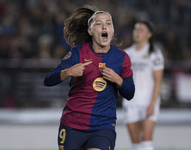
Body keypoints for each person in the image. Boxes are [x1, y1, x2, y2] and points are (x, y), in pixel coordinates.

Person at [44, 5, 135, 150]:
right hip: (72, 124)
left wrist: (118, 80)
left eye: (108, 23)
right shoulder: (77, 53)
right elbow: (48, 80)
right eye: (99, 24)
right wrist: (68, 72)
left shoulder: (122, 58)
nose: (104, 27)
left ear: (112, 30)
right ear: (90, 31)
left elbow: (130, 93)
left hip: (103, 127)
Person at [122, 20, 164, 150]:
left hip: (147, 101)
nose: (137, 32)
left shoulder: (154, 53)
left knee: (146, 141)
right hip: (130, 101)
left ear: (149, 34)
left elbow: (158, 80)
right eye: (136, 29)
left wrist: (152, 103)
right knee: (135, 143)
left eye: (141, 30)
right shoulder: (126, 54)